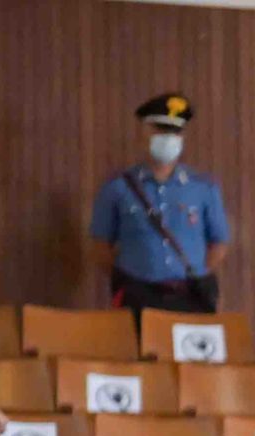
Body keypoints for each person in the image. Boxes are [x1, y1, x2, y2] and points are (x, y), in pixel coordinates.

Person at [88, 93, 229, 315]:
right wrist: (130, 276)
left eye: (175, 131)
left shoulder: (204, 188)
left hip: (190, 296)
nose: (168, 138)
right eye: (160, 130)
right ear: (143, 133)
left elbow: (219, 243)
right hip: (137, 294)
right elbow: (100, 246)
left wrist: (194, 272)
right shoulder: (116, 188)